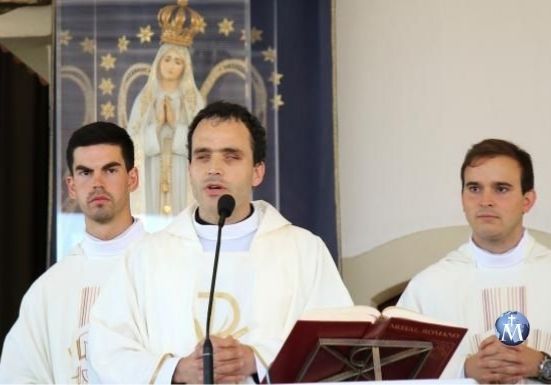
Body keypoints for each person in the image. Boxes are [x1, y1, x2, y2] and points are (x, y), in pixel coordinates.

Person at [88, 101, 353, 383]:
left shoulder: (303, 252)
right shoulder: (146, 257)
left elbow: (339, 348)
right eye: (203, 156)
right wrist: (175, 370)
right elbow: (106, 351)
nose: (214, 169)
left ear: (257, 171)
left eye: (231, 157)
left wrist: (257, 360)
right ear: (189, 168)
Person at [0, 122, 146, 383]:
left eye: (110, 170)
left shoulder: (168, 265)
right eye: (85, 172)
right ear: (71, 185)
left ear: (132, 178)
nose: (97, 183)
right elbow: (18, 375)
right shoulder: (48, 290)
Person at [398, 139, 551, 383]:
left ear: (527, 201)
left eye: (501, 188)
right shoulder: (428, 287)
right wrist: (464, 371)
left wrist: (543, 366)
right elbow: (396, 377)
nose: (485, 200)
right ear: (462, 198)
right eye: (474, 188)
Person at [127, 42, 204, 216]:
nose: (171, 66)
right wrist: (157, 126)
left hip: (182, 170)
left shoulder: (193, 100)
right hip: (151, 167)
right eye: (167, 59)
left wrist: (177, 125)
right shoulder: (145, 98)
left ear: (185, 67)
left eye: (178, 61)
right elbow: (131, 142)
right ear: (158, 62)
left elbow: (203, 142)